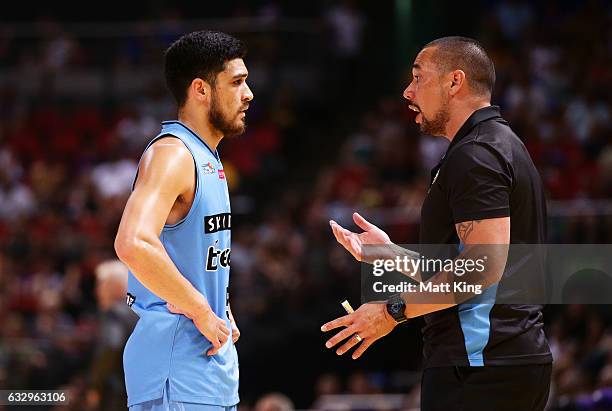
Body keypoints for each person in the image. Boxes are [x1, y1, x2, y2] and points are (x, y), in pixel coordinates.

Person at [321, 36, 552, 411]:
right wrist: (390, 254)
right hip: (500, 360)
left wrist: (390, 312)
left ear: (454, 81)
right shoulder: (499, 144)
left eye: (418, 77)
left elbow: (482, 269)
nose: (407, 91)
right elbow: (476, 268)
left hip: (481, 366)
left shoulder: (476, 155)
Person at [114, 30, 253, 411]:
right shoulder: (173, 155)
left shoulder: (207, 157)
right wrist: (200, 308)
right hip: (175, 365)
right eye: (237, 82)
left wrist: (218, 308)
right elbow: (132, 243)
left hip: (204, 368)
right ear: (200, 90)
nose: (249, 93)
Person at [88, 259, 138, 411]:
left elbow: (111, 346)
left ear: (113, 286)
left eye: (99, 284)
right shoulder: (139, 310)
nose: (96, 291)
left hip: (117, 394)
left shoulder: (114, 313)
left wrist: (95, 385)